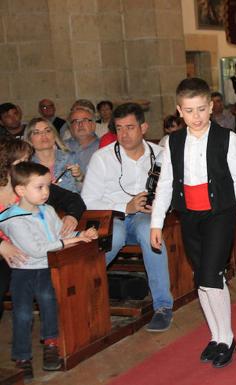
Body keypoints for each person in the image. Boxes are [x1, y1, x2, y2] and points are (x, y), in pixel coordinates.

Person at [150, 77, 236, 368]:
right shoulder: (172, 143)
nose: (195, 116)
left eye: (200, 109)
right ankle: (215, 336)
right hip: (189, 217)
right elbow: (167, 184)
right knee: (202, 278)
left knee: (212, 274)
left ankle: (228, 337)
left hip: (219, 214)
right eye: (189, 110)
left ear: (211, 107)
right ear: (179, 111)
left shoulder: (227, 138)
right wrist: (156, 222)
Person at [81, 102, 174, 332]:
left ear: (143, 127)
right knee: (116, 233)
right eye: (119, 128)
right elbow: (88, 201)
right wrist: (125, 206)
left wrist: (160, 206)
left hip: (146, 218)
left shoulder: (160, 155)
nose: (124, 134)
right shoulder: (102, 158)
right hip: (113, 217)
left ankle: (163, 306)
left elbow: (173, 190)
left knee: (148, 230)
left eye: (130, 127)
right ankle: (82, 296)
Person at [0, 161, 97, 380]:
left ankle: (51, 344)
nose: (46, 192)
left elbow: (58, 235)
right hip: (23, 272)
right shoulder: (13, 219)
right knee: (23, 314)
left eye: (47, 186)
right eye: (40, 187)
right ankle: (22, 357)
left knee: (49, 303)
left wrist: (81, 235)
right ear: (21, 190)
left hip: (46, 268)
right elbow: (35, 250)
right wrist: (72, 242)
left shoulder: (48, 210)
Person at [0, 137, 86, 323]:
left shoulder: (33, 188)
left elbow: (74, 200)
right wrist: (1, 245)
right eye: (21, 161)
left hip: (31, 254)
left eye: (28, 160)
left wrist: (71, 216)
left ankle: (52, 340)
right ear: (5, 164)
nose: (27, 165)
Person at [24, 118, 83, 193]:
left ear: (54, 135)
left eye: (47, 131)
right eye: (37, 132)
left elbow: (86, 191)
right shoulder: (26, 166)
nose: (44, 135)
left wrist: (79, 177)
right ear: (30, 140)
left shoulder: (71, 158)